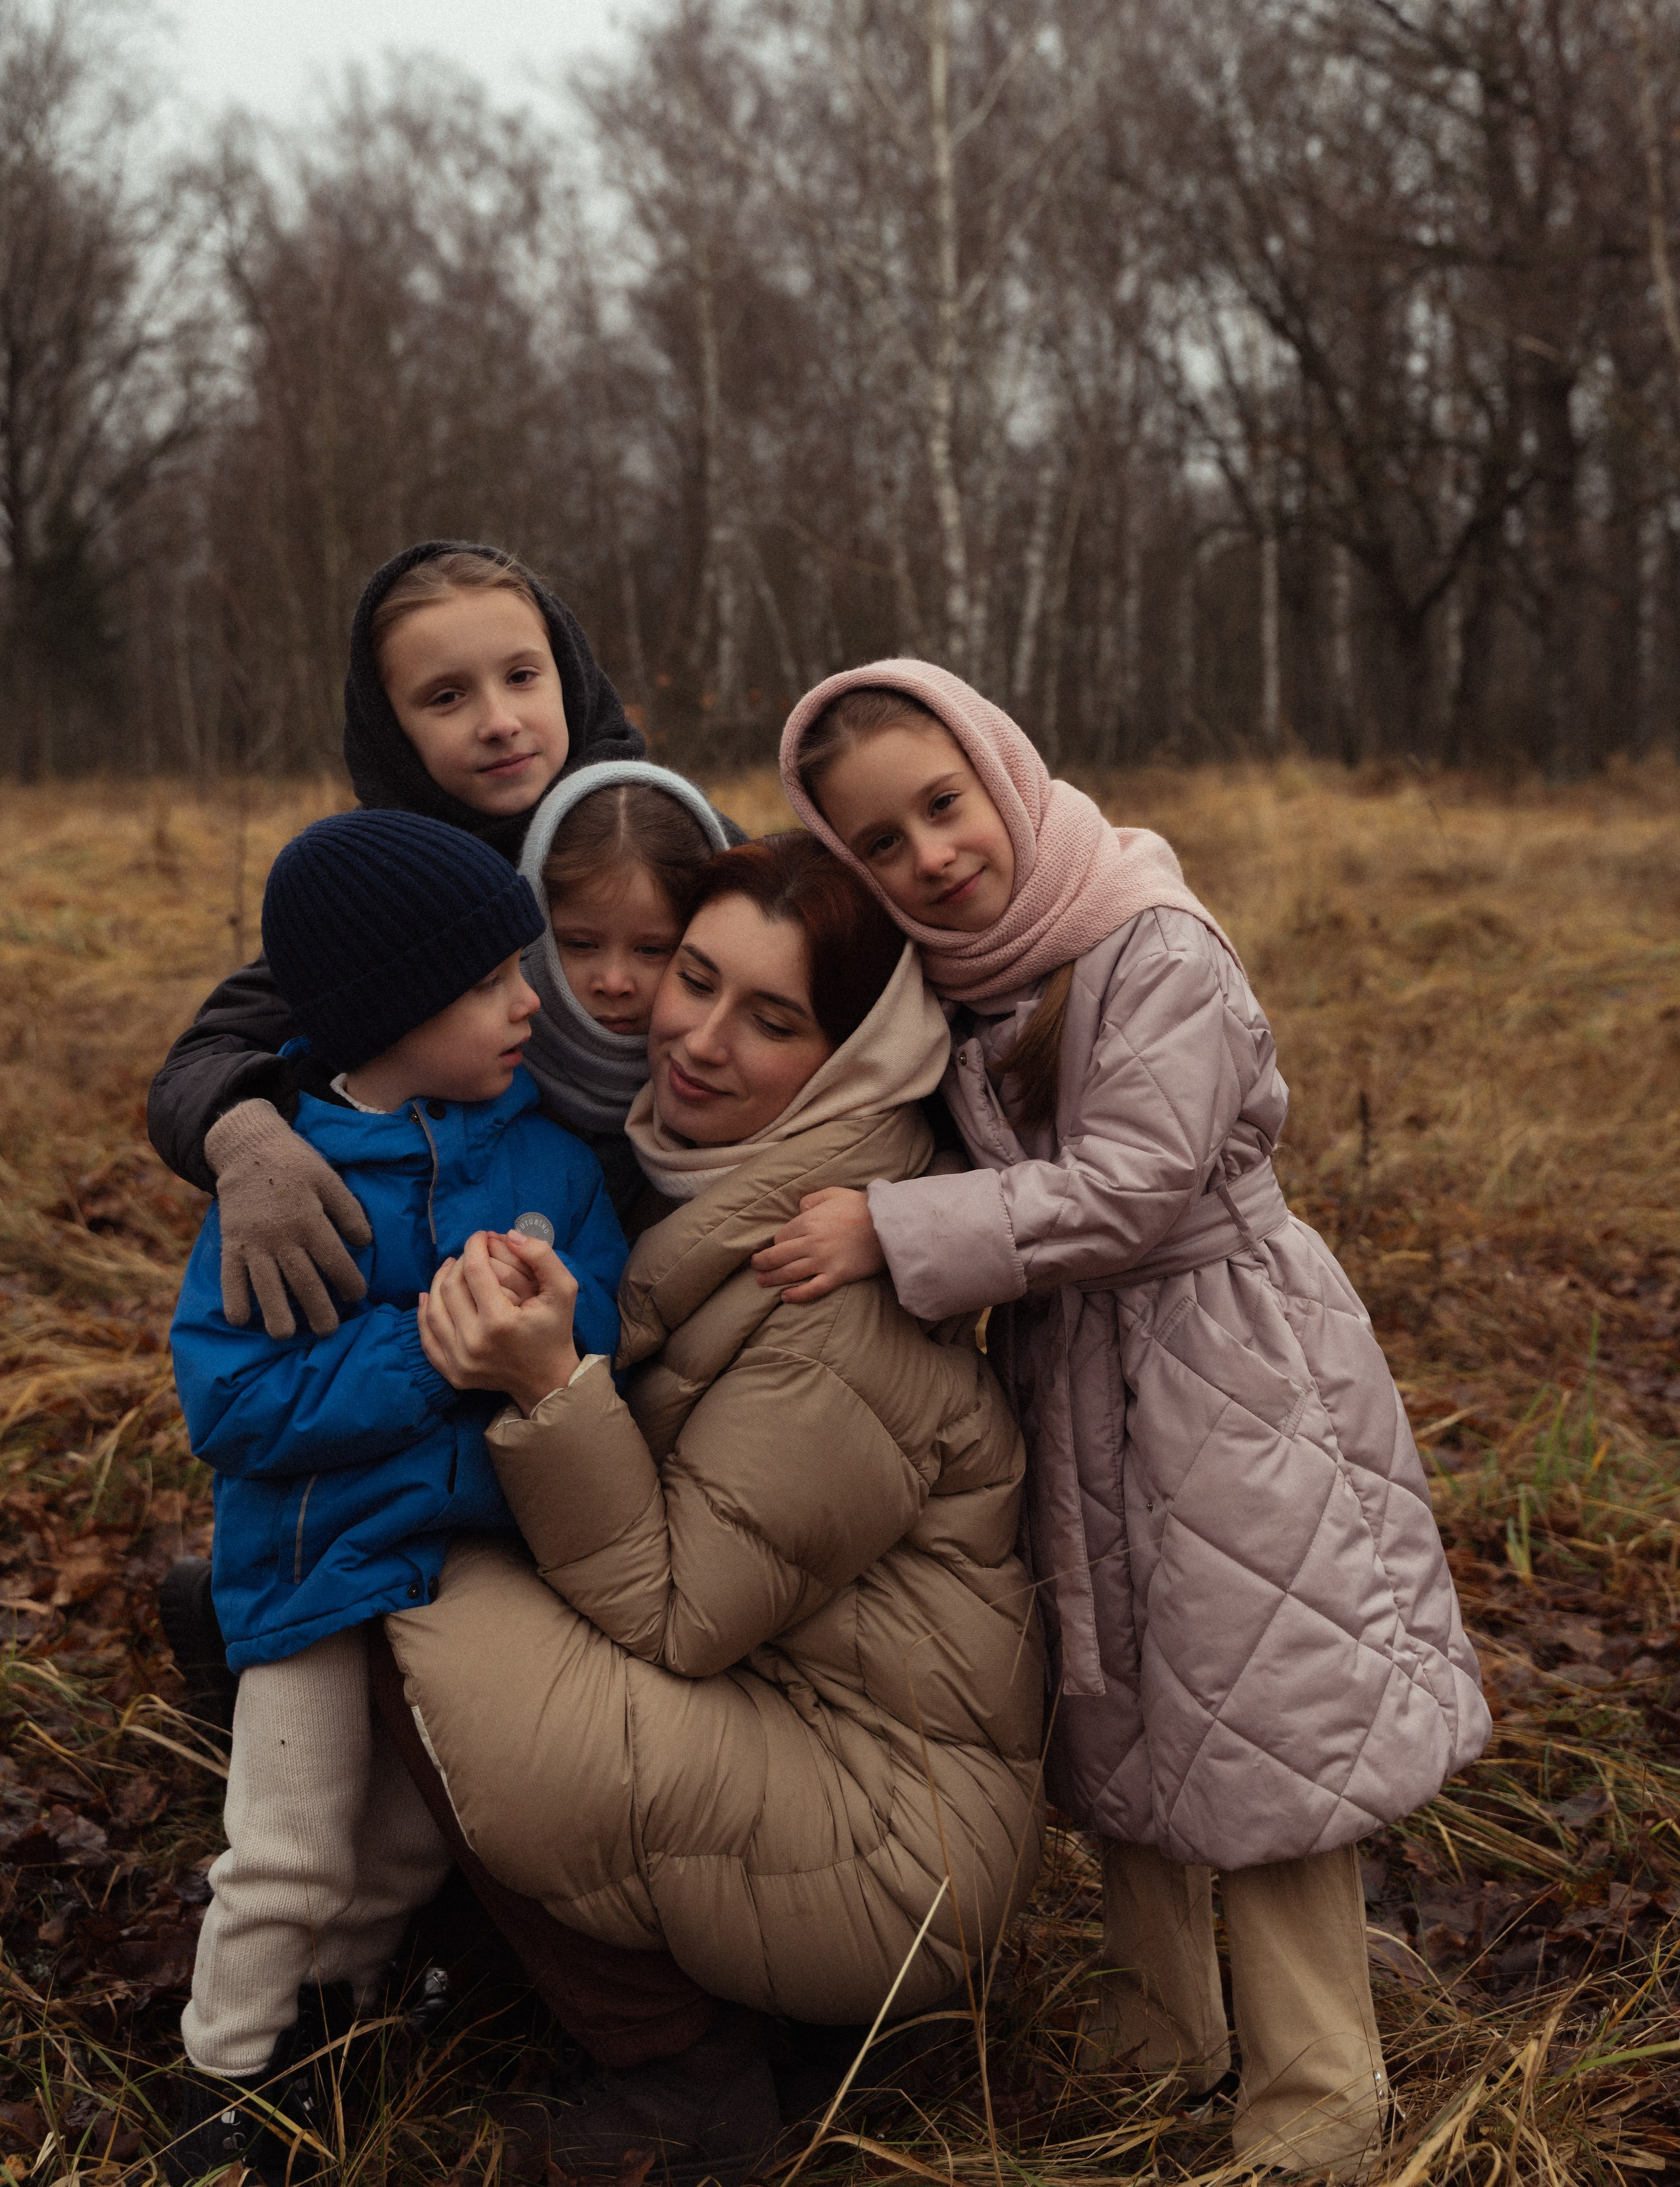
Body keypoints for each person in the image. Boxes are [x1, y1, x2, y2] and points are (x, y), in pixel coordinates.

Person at [770, 663, 1492, 2182]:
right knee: (1118, 1693)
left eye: (941, 805)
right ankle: (1161, 2023)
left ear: (1003, 775)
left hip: (1226, 1362)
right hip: (1072, 1366)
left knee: (1262, 1703)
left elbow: (1136, 1180)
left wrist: (894, 1229)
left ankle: (1315, 2093)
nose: (928, 857)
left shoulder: (1144, 936)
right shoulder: (962, 977)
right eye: (878, 845)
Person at [378, 834, 1046, 2187]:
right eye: (694, 977)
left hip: (887, 1840)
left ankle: (683, 2076)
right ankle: (500, 1952)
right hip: (788, 1734)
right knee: (354, 1571)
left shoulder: (841, 1291)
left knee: (392, 1593)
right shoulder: (715, 1187)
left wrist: (547, 1381)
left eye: (772, 1017)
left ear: (852, 1058)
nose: (694, 1035)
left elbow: (681, 1613)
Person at [164, 809, 628, 2187]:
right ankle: (226, 2077)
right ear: (387, 1008)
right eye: (487, 981)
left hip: (468, 1575)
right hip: (311, 1578)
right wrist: (433, 1344)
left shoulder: (541, 1153)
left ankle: (340, 2023)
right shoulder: (291, 1182)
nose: (527, 1001)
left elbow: (602, 1309)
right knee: (289, 1842)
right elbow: (233, 1404)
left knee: (417, 1833)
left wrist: (552, 1320)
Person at [145, 539, 701, 1338]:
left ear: (569, 673)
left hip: (683, 1238)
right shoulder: (385, 891)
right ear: (390, 728)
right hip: (474, 1276)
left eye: (521, 676)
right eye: (445, 698)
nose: (500, 722)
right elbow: (202, 1057)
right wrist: (241, 1131)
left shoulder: (668, 834)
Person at [518, 762, 731, 1227]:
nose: (614, 983)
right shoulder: (484, 1073)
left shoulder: (735, 1087)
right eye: (580, 944)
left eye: (652, 950)